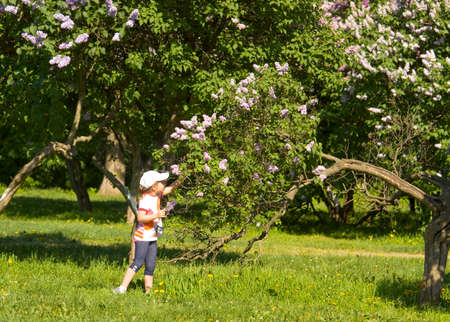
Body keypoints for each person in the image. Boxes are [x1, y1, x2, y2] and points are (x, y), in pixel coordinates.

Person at [114, 170, 180, 294]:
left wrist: (182, 178)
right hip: (142, 236)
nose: (164, 184)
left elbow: (170, 189)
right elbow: (140, 218)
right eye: (161, 182)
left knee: (151, 265)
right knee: (138, 262)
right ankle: (122, 288)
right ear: (154, 187)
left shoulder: (157, 196)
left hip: (152, 236)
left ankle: (148, 292)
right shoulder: (145, 200)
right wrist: (157, 214)